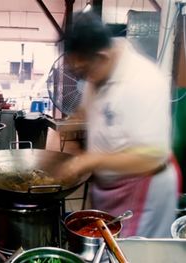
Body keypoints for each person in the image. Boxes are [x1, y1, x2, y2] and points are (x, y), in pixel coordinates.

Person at [56, 11, 180, 238]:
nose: (83, 79)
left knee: (131, 255)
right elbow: (89, 108)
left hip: (143, 192)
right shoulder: (98, 73)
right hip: (109, 189)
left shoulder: (143, 81)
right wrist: (74, 121)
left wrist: (91, 160)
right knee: (107, 250)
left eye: (84, 71)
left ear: (102, 56)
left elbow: (151, 157)